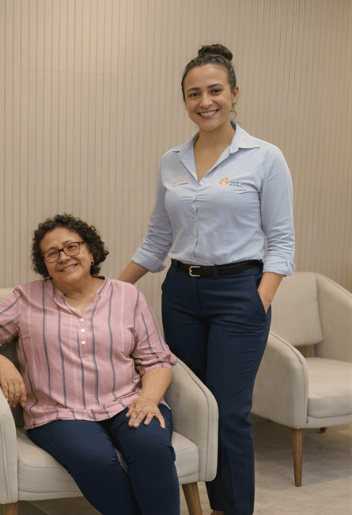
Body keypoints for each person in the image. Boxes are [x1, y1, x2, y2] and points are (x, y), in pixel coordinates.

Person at [118, 44, 294, 515]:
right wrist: (114, 289)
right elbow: (158, 238)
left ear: (234, 93)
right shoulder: (171, 160)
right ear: (185, 101)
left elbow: (281, 242)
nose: (205, 102)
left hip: (240, 292)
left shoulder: (264, 157)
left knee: (231, 413)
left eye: (215, 91)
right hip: (180, 294)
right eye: (193, 94)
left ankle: (233, 509)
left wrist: (259, 301)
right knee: (196, 406)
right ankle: (205, 504)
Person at [0, 214, 179, 515]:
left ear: (90, 251)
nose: (63, 257)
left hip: (127, 401)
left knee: (152, 448)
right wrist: (1, 363)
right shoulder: (26, 298)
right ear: (44, 263)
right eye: (52, 253)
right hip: (58, 412)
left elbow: (157, 359)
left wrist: (149, 399)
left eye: (71, 247)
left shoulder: (127, 295)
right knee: (96, 459)